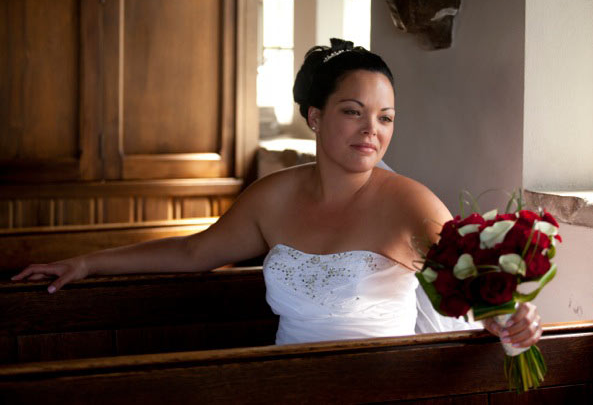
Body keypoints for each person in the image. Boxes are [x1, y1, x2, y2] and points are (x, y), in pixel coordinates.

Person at [12, 39, 541, 348]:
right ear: (315, 117)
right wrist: (87, 264)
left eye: (385, 118)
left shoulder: (411, 204)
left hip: (383, 388)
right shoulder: (272, 198)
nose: (371, 131)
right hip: (282, 382)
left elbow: (468, 290)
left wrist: (509, 320)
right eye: (352, 112)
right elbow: (194, 252)